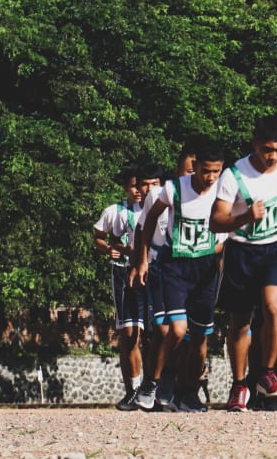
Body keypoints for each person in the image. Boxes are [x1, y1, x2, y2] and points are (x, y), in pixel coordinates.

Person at [212, 116, 277, 411]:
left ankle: (268, 372)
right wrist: (245, 217)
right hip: (242, 251)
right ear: (255, 144)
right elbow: (216, 221)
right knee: (241, 320)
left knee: (273, 305)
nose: (273, 156)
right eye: (268, 149)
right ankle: (239, 384)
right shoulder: (233, 176)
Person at [132, 143, 226, 412]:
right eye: (205, 171)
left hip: (205, 269)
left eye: (215, 172)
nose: (210, 177)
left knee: (199, 339)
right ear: (193, 168)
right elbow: (148, 222)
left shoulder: (223, 193)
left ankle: (188, 393)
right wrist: (141, 259)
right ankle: (152, 381)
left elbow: (224, 238)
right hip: (175, 266)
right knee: (176, 329)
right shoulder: (173, 190)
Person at [92, 169, 149, 409]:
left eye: (142, 186)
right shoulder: (113, 212)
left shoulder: (155, 209)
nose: (138, 191)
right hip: (123, 273)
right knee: (129, 334)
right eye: (134, 186)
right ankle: (133, 388)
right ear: (125, 187)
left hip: (149, 273)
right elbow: (98, 237)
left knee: (153, 333)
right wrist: (107, 249)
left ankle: (153, 388)